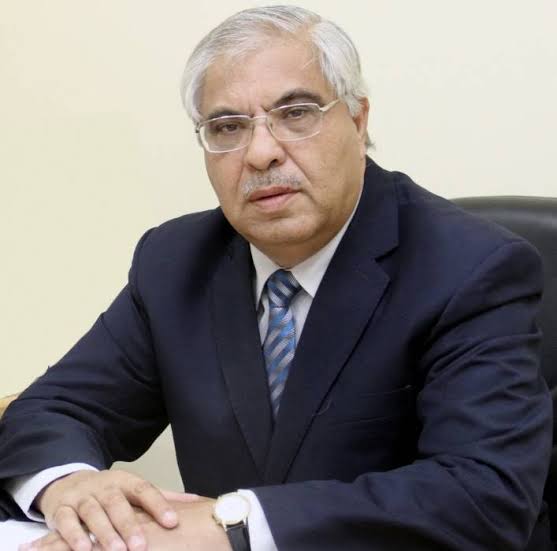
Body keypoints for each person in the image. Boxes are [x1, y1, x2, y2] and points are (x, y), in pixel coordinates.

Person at [0, 5, 553, 551]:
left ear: (358, 120)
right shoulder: (176, 261)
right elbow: (52, 410)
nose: (261, 153)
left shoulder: (469, 268)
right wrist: (71, 486)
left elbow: (483, 496)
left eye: (296, 113)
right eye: (228, 127)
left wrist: (234, 525)